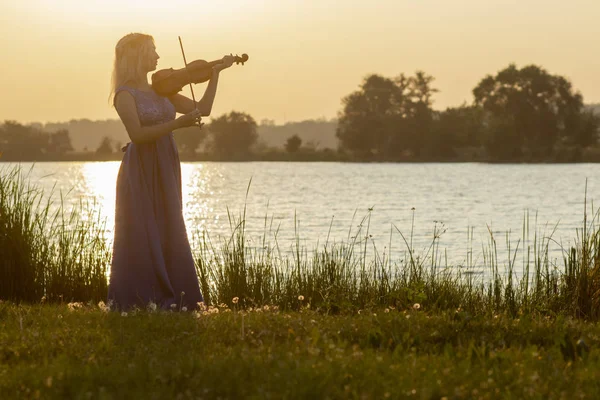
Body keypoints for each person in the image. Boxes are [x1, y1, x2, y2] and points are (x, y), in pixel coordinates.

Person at [107, 32, 234, 311]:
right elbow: (138, 135)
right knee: (142, 228)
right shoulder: (124, 95)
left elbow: (204, 109)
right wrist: (178, 125)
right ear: (138, 55)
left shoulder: (161, 89)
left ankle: (176, 295)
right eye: (152, 51)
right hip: (141, 166)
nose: (158, 57)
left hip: (166, 162)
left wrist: (214, 74)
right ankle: (140, 297)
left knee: (169, 224)